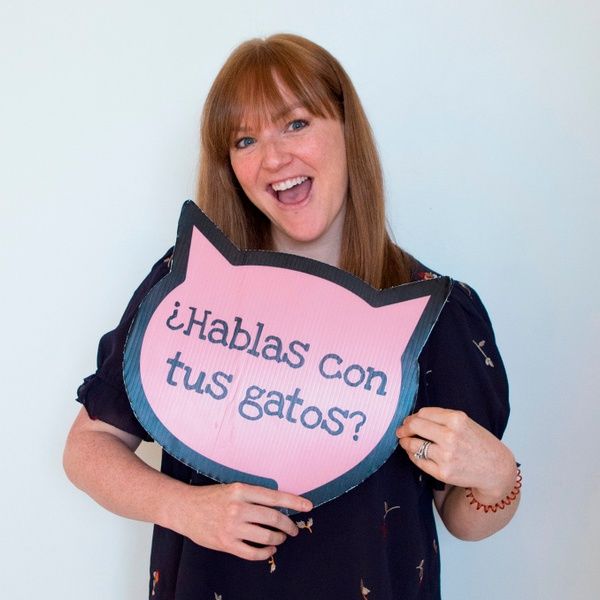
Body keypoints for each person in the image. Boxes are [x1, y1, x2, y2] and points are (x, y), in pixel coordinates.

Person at [63, 34, 520, 599]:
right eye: (245, 140)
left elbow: (460, 516)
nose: (274, 158)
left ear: (348, 130)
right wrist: (186, 508)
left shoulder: (431, 311)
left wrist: (499, 478)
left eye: (296, 124)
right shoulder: (189, 285)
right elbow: (88, 447)